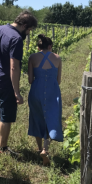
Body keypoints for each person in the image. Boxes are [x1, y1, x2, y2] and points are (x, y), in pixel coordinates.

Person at [0, 10, 37, 155]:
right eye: (29, 30)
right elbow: (14, 67)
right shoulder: (16, 39)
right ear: (25, 25)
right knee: (6, 116)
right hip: (6, 82)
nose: (29, 33)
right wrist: (16, 92)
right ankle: (2, 148)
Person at [27, 34, 63, 165]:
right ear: (50, 46)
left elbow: (30, 80)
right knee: (51, 117)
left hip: (36, 90)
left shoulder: (32, 57)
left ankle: (38, 147)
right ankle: (45, 148)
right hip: (53, 91)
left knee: (37, 117)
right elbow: (58, 81)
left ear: (38, 46)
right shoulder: (57, 58)